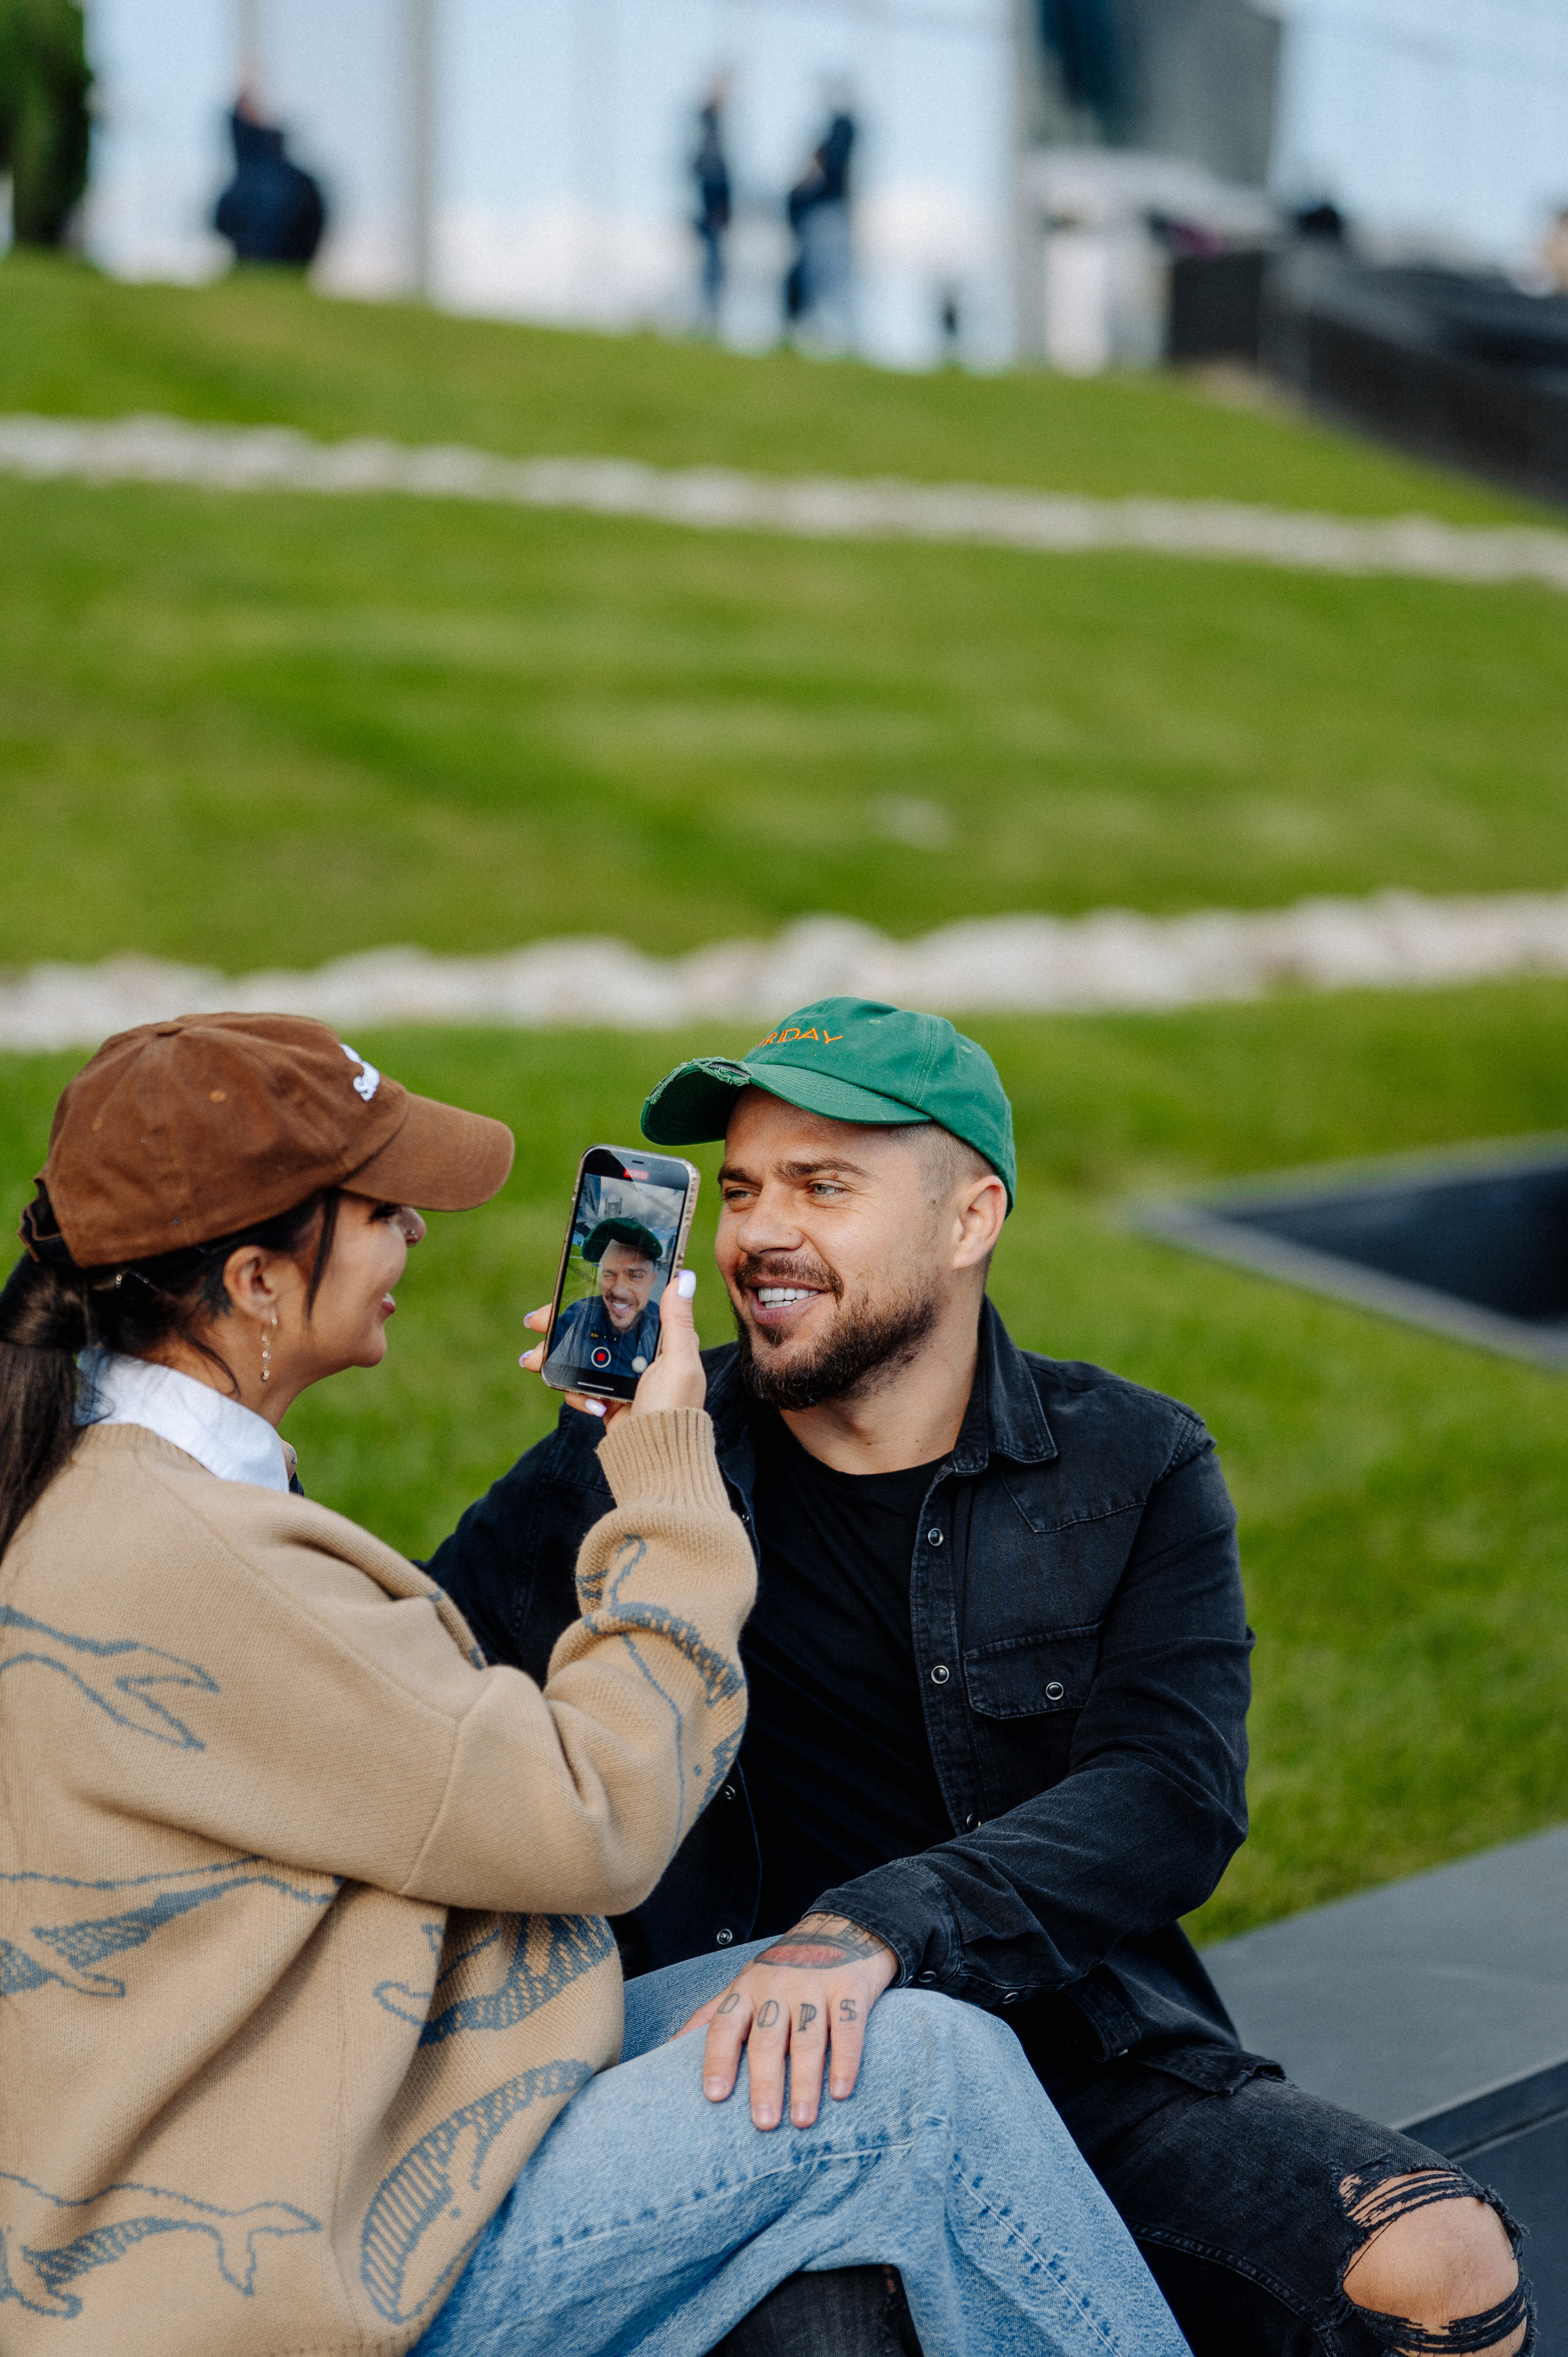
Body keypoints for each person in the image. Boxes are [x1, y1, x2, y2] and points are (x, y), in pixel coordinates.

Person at [0, 1011, 1190, 2357]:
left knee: (835, 2019)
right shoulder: (192, 1555)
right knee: (922, 2084)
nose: (419, 1236)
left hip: (318, 2121)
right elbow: (597, 1815)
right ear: (259, 1282)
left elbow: (412, 1728)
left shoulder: (104, 1486)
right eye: (385, 1207)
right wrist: (668, 1476)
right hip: (275, 2261)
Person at [428, 996, 1534, 2357]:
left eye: (822, 1186)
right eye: (739, 1191)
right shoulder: (642, 1455)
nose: (757, 1234)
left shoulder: (1128, 1461)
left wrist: (888, 1923)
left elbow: (1169, 1789)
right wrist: (590, 1474)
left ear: (969, 1220)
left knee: (1439, 2255)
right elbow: (420, 1701)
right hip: (762, 2074)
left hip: (1074, 2040)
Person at [214, 89, 325, 266]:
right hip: (291, 268)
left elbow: (219, 222)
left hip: (256, 265)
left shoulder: (246, 182)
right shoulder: (301, 181)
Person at [546, 1218, 664, 1384]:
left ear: (652, 1280)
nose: (618, 1290)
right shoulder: (576, 1316)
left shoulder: (665, 1328)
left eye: (635, 1276)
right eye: (608, 1274)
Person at [784, 101, 854, 341]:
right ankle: (823, 334)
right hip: (821, 219)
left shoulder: (842, 132)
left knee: (830, 280)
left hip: (828, 218)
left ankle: (836, 335)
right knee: (820, 281)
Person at [692, 79, 732, 330]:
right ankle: (708, 318)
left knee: (713, 265)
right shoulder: (709, 134)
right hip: (711, 209)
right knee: (711, 266)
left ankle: (710, 318)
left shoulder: (711, 132)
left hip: (713, 208)